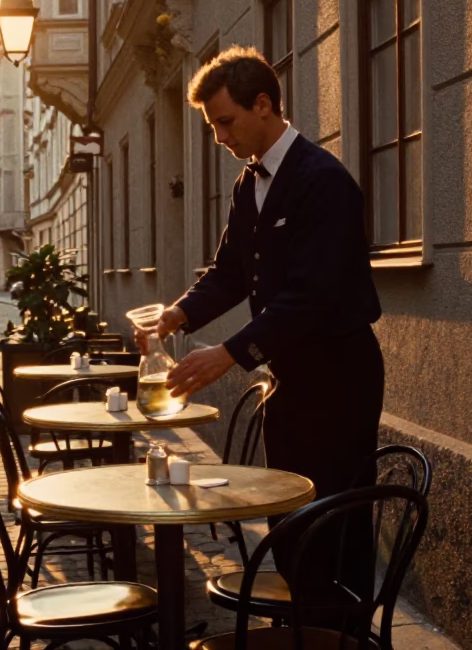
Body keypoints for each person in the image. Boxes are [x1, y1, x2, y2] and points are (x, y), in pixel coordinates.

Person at [135, 45, 383, 598]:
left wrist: (228, 353)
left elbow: (310, 297)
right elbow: (228, 273)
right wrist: (177, 314)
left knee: (334, 524)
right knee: (288, 514)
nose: (220, 137)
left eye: (226, 121)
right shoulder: (250, 182)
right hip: (290, 376)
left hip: (341, 376)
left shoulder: (324, 180)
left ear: (264, 105)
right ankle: (299, 629)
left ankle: (335, 637)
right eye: (213, 126)